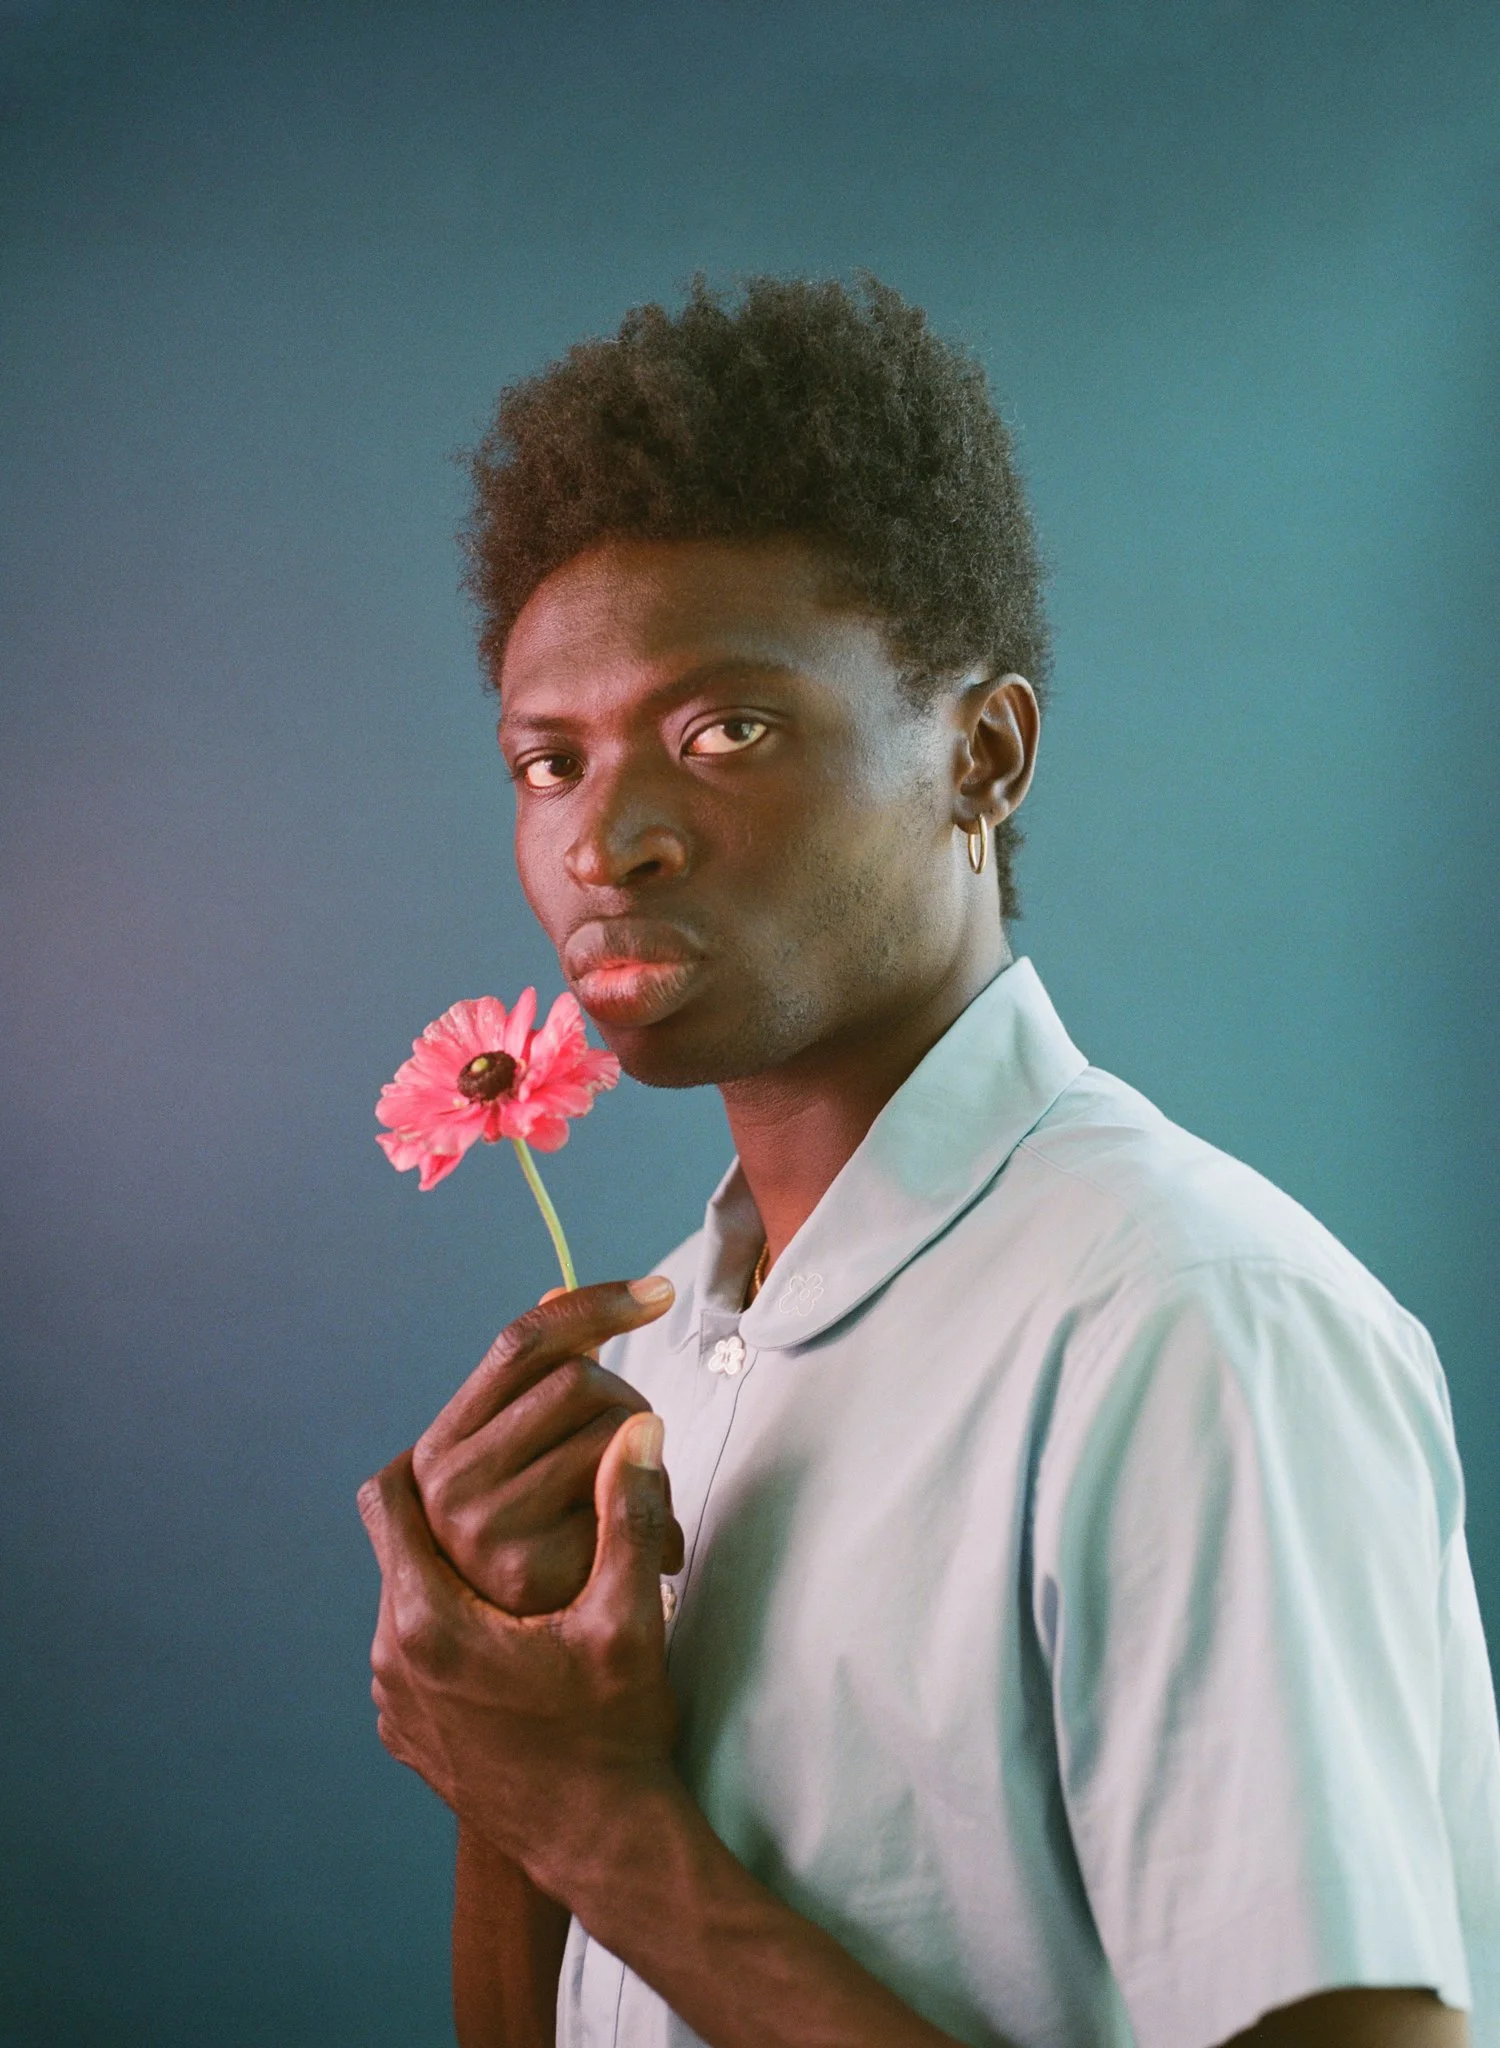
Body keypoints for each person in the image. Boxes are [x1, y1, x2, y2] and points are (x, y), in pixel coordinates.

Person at [358, 276, 1500, 2048]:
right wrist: (512, 1766)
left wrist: (599, 1820)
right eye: (546, 758)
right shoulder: (655, 1362)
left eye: (724, 728)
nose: (609, 838)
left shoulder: (1187, 1328)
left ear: (982, 754)